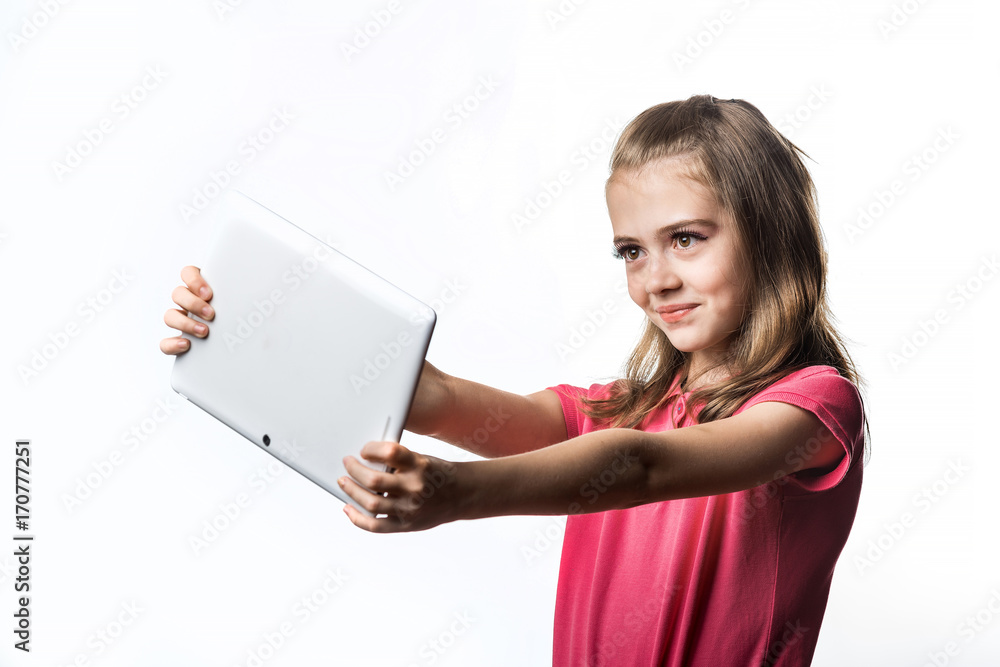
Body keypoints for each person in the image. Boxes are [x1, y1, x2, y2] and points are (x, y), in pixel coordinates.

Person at [160, 94, 869, 666]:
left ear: (770, 233)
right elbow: (431, 394)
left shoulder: (814, 408)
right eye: (630, 250)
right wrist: (249, 325)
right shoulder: (625, 409)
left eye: (686, 237)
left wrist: (458, 492)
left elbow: (642, 467)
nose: (655, 278)